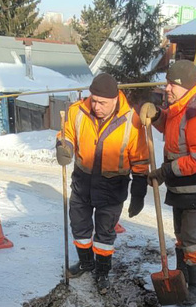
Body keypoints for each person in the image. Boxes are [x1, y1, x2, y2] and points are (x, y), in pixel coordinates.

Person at [138, 60, 196, 306]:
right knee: (180, 236)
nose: (167, 88)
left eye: (172, 85)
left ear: (187, 87)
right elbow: (172, 126)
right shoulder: (181, 107)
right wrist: (157, 115)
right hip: (182, 186)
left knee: (190, 238)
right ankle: (182, 278)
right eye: (167, 83)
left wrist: (166, 171)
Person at [55, 73, 150, 293]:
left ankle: (102, 272)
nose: (96, 106)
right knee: (79, 226)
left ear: (115, 99)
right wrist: (64, 147)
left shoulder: (132, 120)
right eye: (94, 100)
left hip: (112, 185)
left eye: (102, 103)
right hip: (83, 181)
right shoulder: (77, 111)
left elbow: (140, 157)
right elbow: (66, 134)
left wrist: (139, 191)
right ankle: (86, 263)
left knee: (105, 233)